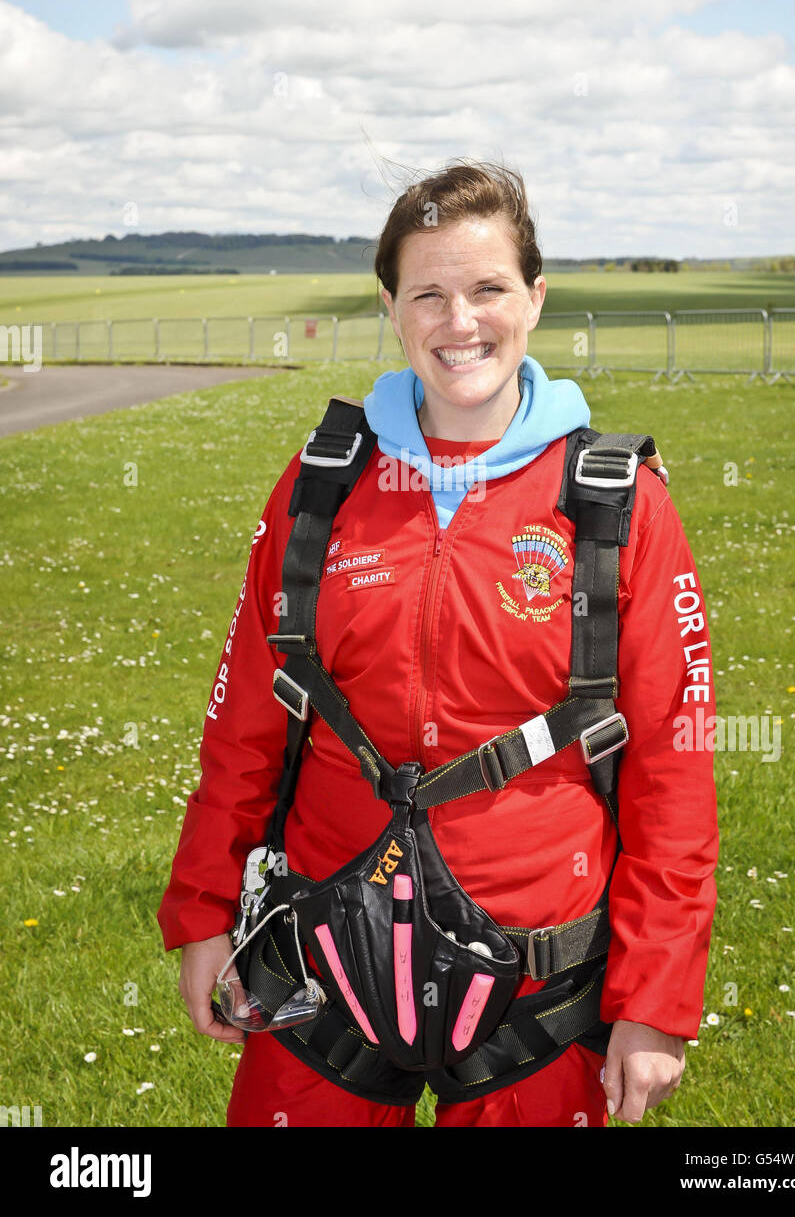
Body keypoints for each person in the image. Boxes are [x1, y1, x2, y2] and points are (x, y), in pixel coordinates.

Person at [157, 160, 718, 1128]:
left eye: (488, 288)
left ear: (535, 299)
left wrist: (655, 1000)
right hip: (322, 973)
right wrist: (205, 908)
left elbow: (675, 763)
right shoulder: (320, 487)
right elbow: (247, 714)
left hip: (538, 996)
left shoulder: (615, 505)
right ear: (391, 307)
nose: (461, 322)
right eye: (429, 293)